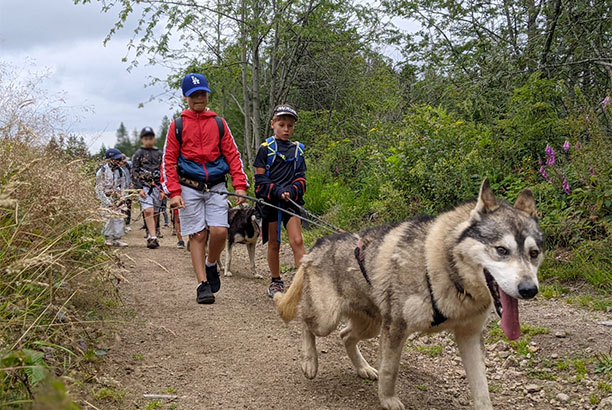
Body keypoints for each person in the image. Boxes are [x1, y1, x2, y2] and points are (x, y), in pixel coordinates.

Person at [161, 73, 248, 304]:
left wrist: (240, 185)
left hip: (216, 185)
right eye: (193, 95)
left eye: (202, 94)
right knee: (198, 234)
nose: (199, 98)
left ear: (208, 95)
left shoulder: (218, 123)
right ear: (186, 97)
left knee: (220, 231)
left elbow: (232, 154)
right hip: (188, 186)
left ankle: (211, 264)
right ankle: (202, 284)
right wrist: (174, 192)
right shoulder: (177, 126)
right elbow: (169, 160)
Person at [253, 104, 306, 298]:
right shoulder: (265, 149)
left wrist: (292, 190)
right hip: (271, 203)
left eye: (290, 125)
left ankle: (302, 283)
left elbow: (302, 178)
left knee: (297, 240)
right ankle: (276, 281)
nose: (286, 129)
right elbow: (259, 181)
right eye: (282, 124)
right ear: (273, 124)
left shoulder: (298, 150)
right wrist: (277, 191)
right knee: (274, 243)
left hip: (291, 202)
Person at [132, 127, 165, 249]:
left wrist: (163, 189)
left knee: (155, 212)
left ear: (154, 139)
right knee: (148, 210)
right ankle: (152, 237)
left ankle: (153, 233)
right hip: (145, 186)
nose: (148, 141)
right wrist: (139, 188)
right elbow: (134, 171)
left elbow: (164, 172)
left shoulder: (160, 154)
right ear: (142, 140)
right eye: (146, 139)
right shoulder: (138, 154)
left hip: (157, 186)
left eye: (150, 138)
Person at [95, 148, 129, 247]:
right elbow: (98, 189)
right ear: (109, 160)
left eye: (119, 159)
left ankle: (117, 238)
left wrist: (122, 199)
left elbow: (124, 186)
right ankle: (108, 238)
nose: (119, 162)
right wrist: (107, 202)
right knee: (108, 218)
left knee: (119, 218)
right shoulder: (102, 171)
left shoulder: (121, 171)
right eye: (116, 159)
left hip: (118, 198)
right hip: (106, 198)